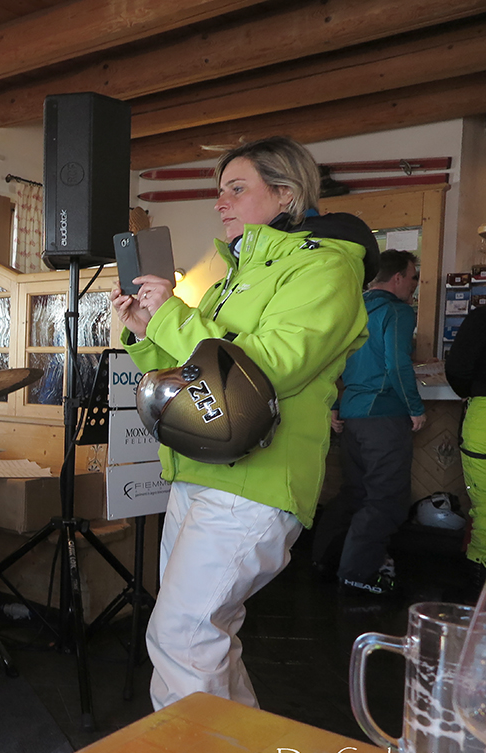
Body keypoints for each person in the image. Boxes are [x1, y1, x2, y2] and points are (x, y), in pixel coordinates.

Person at [110, 136, 375, 711]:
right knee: (208, 636)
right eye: (219, 191)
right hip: (195, 471)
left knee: (181, 635)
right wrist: (144, 329)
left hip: (256, 481)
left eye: (237, 188)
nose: (220, 203)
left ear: (286, 193)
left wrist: (175, 315)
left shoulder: (325, 268)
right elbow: (190, 374)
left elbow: (261, 371)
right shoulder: (232, 274)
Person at [311, 249, 424, 595]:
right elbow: (397, 364)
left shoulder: (353, 310)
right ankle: (358, 574)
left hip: (353, 415)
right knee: (385, 500)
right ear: (398, 278)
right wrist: (415, 407)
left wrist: (334, 403)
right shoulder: (397, 312)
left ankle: (324, 560)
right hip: (383, 417)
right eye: (413, 277)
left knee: (354, 494)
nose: (415, 285)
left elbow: (330, 361)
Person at [445, 303, 486, 586]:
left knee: (484, 506)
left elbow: (458, 368)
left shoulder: (481, 318)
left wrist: (470, 391)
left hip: (483, 419)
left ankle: (477, 587)